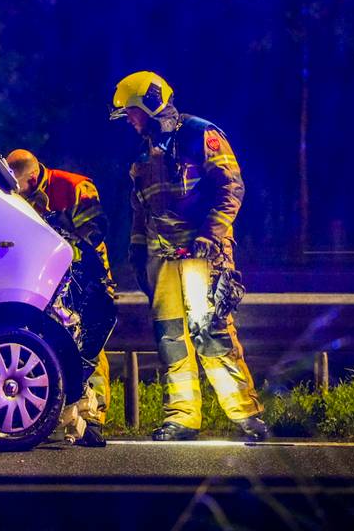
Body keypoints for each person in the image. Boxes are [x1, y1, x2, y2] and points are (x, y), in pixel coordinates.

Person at [109, 71, 268, 442]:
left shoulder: (200, 134)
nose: (130, 121)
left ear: (149, 103)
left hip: (201, 255)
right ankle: (181, 419)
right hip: (160, 258)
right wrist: (136, 253)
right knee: (170, 339)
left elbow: (230, 188)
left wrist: (210, 237)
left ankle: (247, 415)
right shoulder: (142, 152)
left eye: (132, 112)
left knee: (212, 334)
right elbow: (140, 209)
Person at [6, 149, 115, 448]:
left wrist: (57, 223)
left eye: (20, 186)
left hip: (86, 275)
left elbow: (96, 231)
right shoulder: (20, 194)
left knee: (88, 346)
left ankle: (93, 418)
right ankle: (63, 415)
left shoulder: (73, 186)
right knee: (55, 345)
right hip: (50, 280)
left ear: (31, 177)